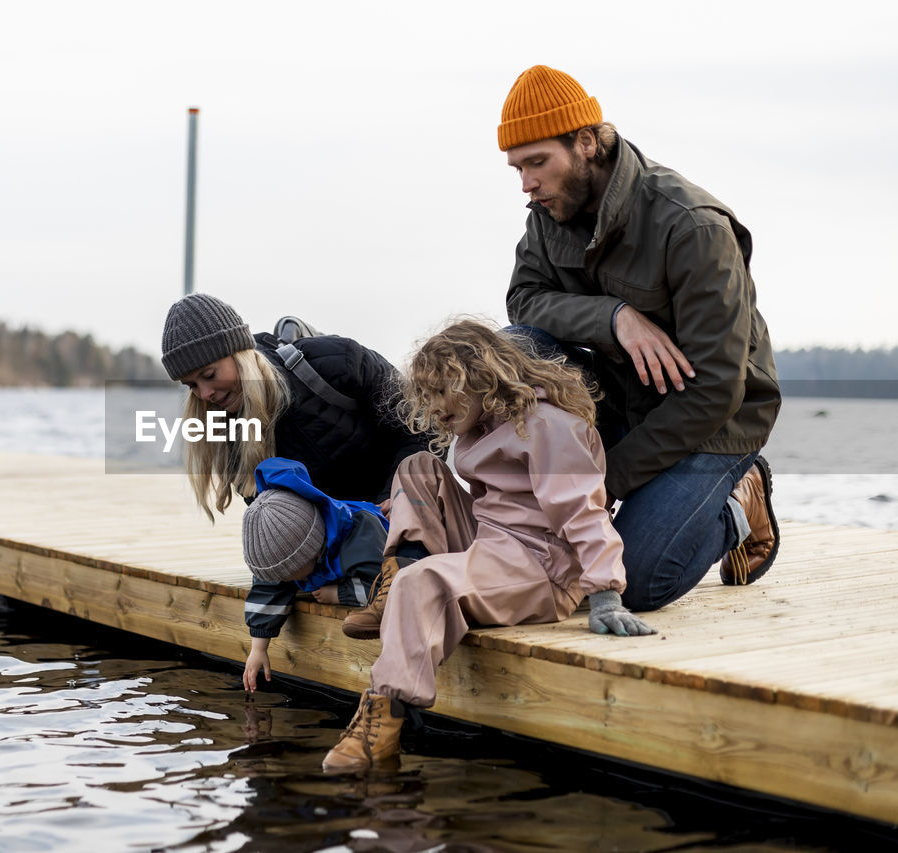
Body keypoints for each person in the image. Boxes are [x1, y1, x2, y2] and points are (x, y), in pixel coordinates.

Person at [498, 65, 782, 612]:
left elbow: (718, 390)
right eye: (518, 167)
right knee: (515, 347)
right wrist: (615, 317)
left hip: (713, 421)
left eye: (538, 162)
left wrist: (602, 481)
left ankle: (741, 502)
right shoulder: (549, 211)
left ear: (585, 143)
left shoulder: (692, 226)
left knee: (636, 582)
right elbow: (524, 300)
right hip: (620, 395)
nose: (527, 183)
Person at [323, 320, 655, 772]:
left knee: (426, 581)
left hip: (539, 566)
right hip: (493, 542)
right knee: (418, 466)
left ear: (481, 376)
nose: (436, 407)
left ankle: (384, 716)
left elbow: (584, 512)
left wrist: (606, 595)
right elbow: (483, 505)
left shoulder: (547, 427)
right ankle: (396, 580)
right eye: (429, 395)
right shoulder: (478, 429)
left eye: (444, 390)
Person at [160, 292, 435, 519]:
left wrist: (396, 496)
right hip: (336, 540)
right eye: (192, 386)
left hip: (405, 512)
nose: (205, 393)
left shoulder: (338, 361)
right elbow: (276, 515)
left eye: (210, 375)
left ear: (240, 354)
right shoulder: (227, 428)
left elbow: (423, 426)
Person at [240, 457, 389, 692]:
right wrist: (258, 648)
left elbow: (384, 587)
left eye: (288, 573)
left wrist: (340, 594)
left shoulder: (361, 538)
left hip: (388, 548)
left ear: (311, 552)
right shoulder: (289, 555)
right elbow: (268, 587)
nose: (284, 579)